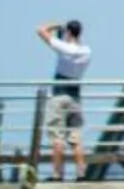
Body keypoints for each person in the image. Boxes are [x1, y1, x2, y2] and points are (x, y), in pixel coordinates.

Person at [38, 18, 90, 180]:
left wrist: (56, 25)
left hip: (59, 94)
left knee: (57, 138)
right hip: (75, 96)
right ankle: (81, 173)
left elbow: (41, 30)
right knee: (76, 138)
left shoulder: (63, 47)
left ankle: (56, 174)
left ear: (68, 32)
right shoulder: (87, 51)